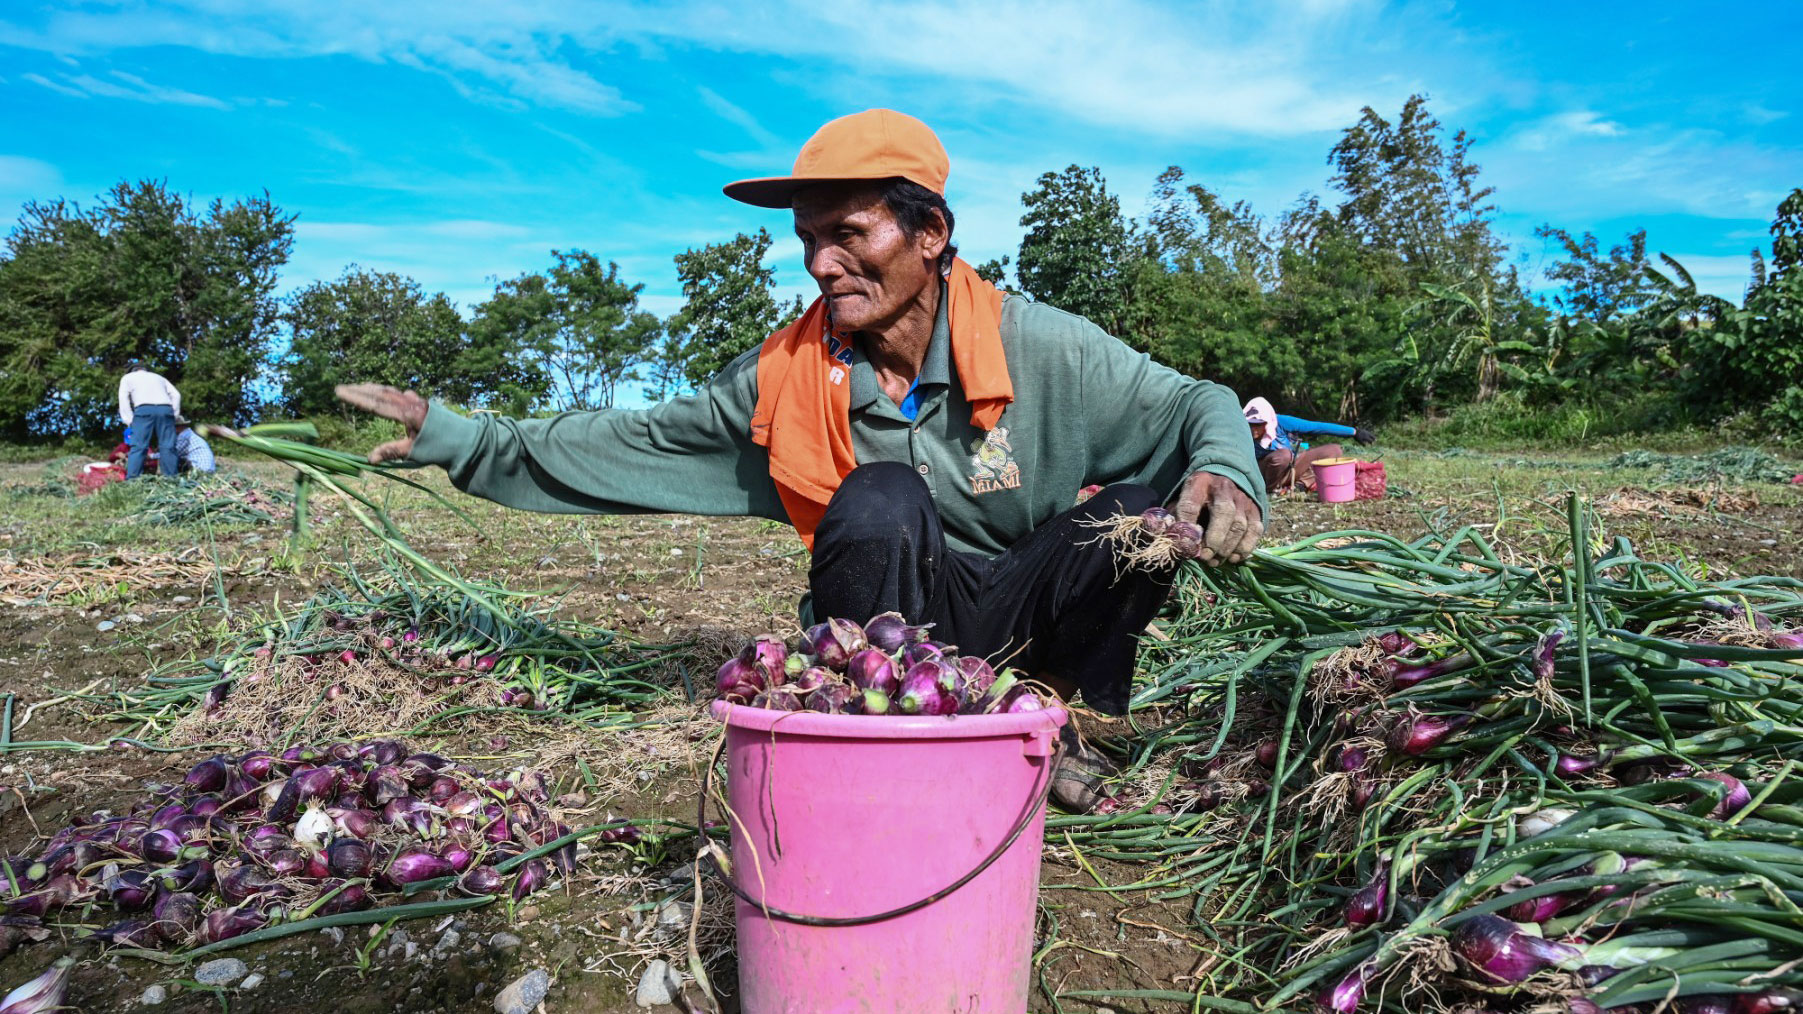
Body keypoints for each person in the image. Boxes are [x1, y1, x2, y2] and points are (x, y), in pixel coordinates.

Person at [336, 109, 1267, 809]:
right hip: (895, 639)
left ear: (930, 236)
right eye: (810, 241)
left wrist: (1224, 464)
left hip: (1021, 604)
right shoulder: (785, 374)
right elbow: (639, 437)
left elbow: (1196, 404)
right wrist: (463, 436)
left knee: (1134, 513)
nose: (821, 264)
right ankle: (890, 736)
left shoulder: (1042, 347)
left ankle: (1058, 726)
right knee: (877, 495)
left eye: (849, 234)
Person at [1243, 397, 1375, 494]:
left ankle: (1300, 485)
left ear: (1268, 421)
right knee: (1283, 455)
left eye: (1259, 424)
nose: (1254, 429)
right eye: (1251, 424)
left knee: (1333, 450)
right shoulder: (1240, 432)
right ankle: (1269, 491)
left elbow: (1317, 427)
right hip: (1260, 475)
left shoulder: (1281, 423)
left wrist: (1354, 432)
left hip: (1289, 471)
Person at [118, 361, 181, 479]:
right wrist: (175, 415)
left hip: (144, 409)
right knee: (168, 446)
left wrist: (129, 420)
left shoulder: (127, 378)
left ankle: (132, 481)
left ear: (132, 370)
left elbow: (123, 398)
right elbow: (176, 395)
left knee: (139, 446)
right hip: (165, 409)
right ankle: (172, 479)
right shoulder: (159, 378)